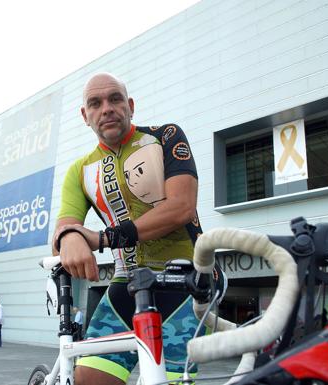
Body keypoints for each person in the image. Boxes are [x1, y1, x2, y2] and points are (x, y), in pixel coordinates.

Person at [53, 73, 203, 385]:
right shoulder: (79, 171)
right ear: (85, 116)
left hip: (184, 284)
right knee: (89, 380)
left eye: (115, 99)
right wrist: (69, 237)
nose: (106, 108)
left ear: (130, 106)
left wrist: (103, 238)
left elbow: (181, 207)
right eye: (95, 103)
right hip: (126, 286)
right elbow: (60, 235)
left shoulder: (166, 136)